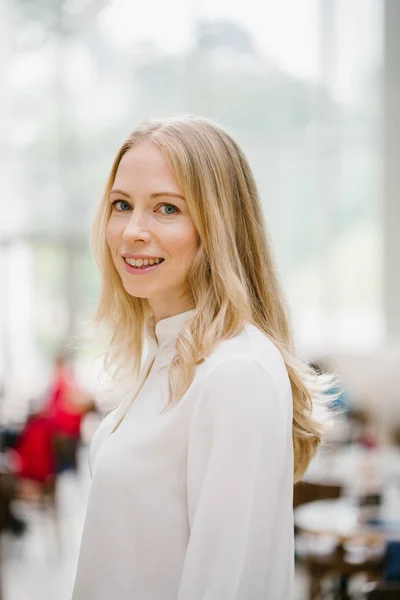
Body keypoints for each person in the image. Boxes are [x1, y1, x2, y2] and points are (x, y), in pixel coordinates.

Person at [72, 115, 332, 600]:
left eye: (166, 208)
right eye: (121, 205)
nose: (132, 231)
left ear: (219, 228)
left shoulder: (236, 372)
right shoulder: (171, 353)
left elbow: (225, 586)